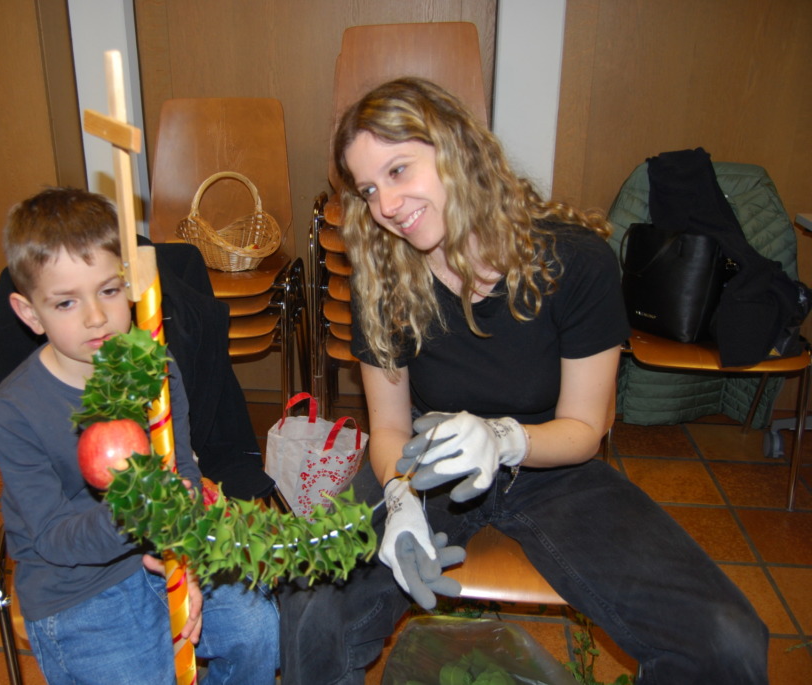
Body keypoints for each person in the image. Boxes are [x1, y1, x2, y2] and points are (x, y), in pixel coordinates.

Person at [278, 78, 767, 684]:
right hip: (428, 462)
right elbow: (390, 428)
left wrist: (504, 438)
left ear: (457, 149)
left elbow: (585, 428)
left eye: (399, 170)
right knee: (308, 598)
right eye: (369, 189)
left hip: (551, 464)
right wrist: (400, 497)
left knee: (726, 641)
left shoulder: (575, 261)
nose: (387, 205)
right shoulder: (384, 278)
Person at [0, 187, 278, 684]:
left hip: (162, 545)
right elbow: (53, 537)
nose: (96, 317)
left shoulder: (155, 369)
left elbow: (182, 466)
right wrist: (140, 518)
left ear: (130, 284)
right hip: (76, 585)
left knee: (257, 629)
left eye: (108, 290)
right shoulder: (15, 411)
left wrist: (183, 554)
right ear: (30, 313)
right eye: (65, 302)